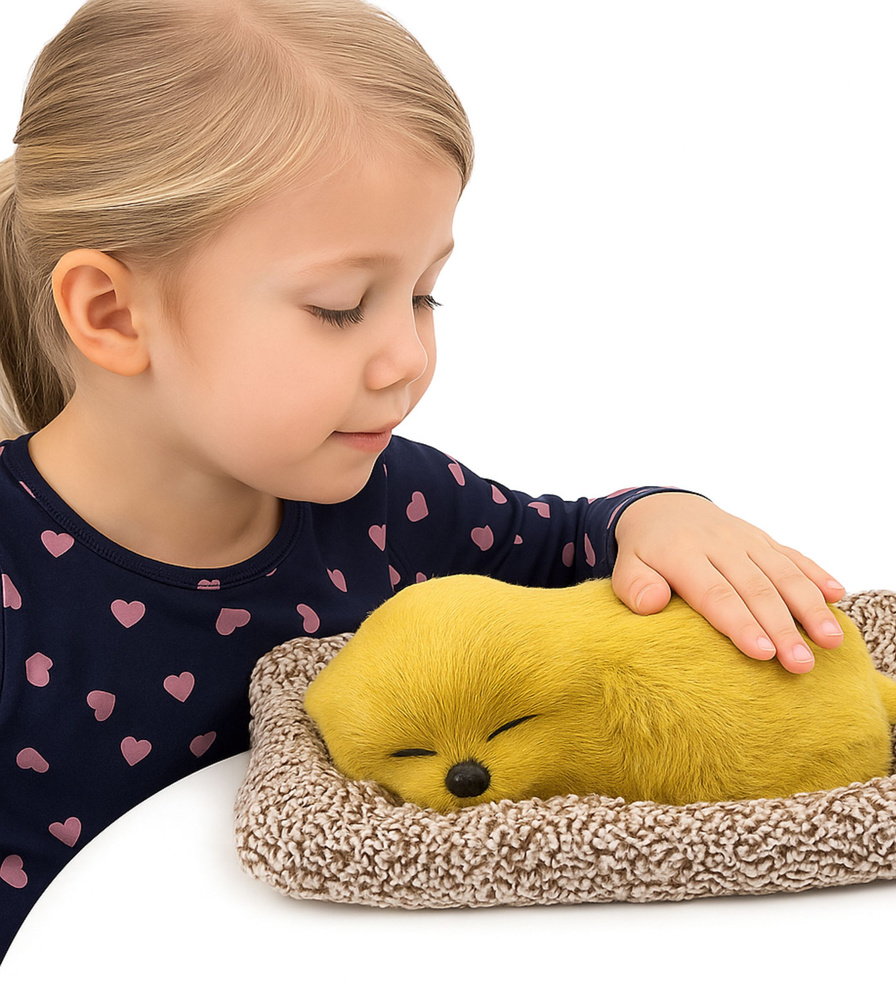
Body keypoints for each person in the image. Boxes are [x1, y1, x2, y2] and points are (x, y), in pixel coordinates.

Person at [0, 0, 848, 961]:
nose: (407, 355)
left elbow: (569, 547)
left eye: (422, 293)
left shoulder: (394, 502)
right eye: (340, 307)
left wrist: (662, 515)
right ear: (112, 314)